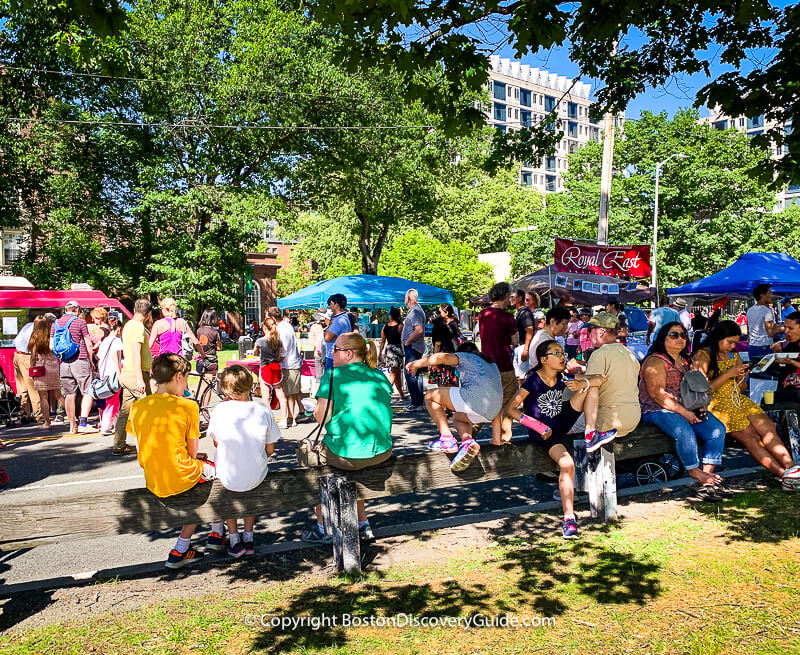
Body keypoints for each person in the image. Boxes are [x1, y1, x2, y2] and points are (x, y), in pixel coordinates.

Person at [504, 340, 610, 539]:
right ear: (544, 360)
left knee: (590, 387)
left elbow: (601, 378)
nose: (563, 356)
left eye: (563, 352)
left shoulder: (562, 377)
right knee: (567, 464)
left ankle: (590, 433)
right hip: (544, 433)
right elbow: (510, 409)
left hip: (560, 423)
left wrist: (582, 382)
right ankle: (569, 519)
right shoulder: (533, 379)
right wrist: (537, 425)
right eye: (557, 353)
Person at [299, 333, 393, 544]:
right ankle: (363, 523)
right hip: (382, 451)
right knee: (352, 461)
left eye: (336, 349)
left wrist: (315, 409)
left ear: (348, 354)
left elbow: (322, 416)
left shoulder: (333, 376)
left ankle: (323, 527)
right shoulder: (378, 375)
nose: (332, 353)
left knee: (310, 460)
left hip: (347, 454)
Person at [126, 353, 217, 569]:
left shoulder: (138, 407)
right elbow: (193, 453)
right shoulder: (188, 406)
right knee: (217, 475)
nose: (186, 385)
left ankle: (183, 549)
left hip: (154, 477)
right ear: (178, 377)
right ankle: (216, 535)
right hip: (181, 475)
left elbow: (141, 448)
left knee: (201, 477)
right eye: (186, 379)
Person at [693, 320, 799, 487]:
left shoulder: (732, 355)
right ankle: (785, 475)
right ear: (718, 337)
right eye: (730, 342)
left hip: (739, 400)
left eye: (735, 342)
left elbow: (741, 388)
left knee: (768, 429)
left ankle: (791, 468)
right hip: (718, 404)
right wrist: (729, 373)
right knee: (751, 437)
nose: (732, 346)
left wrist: (741, 376)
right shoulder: (703, 355)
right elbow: (704, 390)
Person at [639, 322, 726, 499]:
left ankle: (706, 477)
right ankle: (695, 472)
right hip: (657, 409)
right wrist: (684, 412)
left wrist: (700, 406)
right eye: (674, 335)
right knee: (684, 431)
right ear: (663, 338)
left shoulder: (686, 361)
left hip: (687, 407)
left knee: (717, 430)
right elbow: (657, 394)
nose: (680, 338)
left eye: (683, 335)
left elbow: (696, 387)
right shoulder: (655, 360)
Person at [208, 365, 281, 557]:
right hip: (256, 474)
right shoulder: (263, 409)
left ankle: (234, 538)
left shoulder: (219, 410)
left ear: (225, 389)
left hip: (227, 476)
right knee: (252, 483)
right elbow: (270, 449)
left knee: (225, 488)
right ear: (250, 384)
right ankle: (248, 536)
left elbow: (217, 443)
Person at [407, 342, 503, 468]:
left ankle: (446, 439)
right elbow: (497, 400)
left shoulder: (465, 357)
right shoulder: (492, 365)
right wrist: (497, 439)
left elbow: (442, 357)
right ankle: (467, 441)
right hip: (494, 409)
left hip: (474, 398)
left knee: (430, 396)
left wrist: (416, 364)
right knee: (458, 418)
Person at [579, 312, 641, 444]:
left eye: (590, 330)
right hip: (633, 417)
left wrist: (575, 376)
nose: (588, 334)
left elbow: (591, 388)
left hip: (608, 422)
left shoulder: (599, 354)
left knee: (566, 423)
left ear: (601, 332)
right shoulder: (628, 353)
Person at [476, 282, 518, 441]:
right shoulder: (507, 317)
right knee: (508, 402)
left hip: (486, 364)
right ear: (506, 296)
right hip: (504, 363)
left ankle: (472, 430)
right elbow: (515, 340)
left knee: (485, 399)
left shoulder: (482, 314)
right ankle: (504, 436)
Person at [114, 298, 153, 456]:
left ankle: (119, 444)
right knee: (150, 408)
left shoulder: (128, 325)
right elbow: (136, 353)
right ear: (148, 314)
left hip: (127, 372)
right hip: (135, 373)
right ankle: (151, 443)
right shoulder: (138, 327)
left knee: (125, 411)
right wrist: (139, 378)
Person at [50, 301, 95, 434]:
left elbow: (51, 346)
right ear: (76, 310)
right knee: (87, 391)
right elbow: (88, 343)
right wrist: (91, 360)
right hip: (80, 360)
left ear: (65, 310)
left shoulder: (56, 324)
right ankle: (83, 423)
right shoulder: (80, 322)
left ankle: (72, 425)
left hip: (64, 363)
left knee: (70, 394)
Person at [28, 315, 64, 430]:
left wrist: (32, 365)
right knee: (58, 395)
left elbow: (33, 356)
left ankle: (47, 423)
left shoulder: (35, 338)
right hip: (53, 366)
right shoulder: (52, 336)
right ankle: (74, 418)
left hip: (41, 368)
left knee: (43, 397)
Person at [270, 307, 303, 429]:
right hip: (292, 363)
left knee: (289, 393)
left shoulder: (282, 329)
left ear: (272, 317)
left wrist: (275, 360)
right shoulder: (286, 325)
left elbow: (283, 350)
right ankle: (291, 416)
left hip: (289, 364)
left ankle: (290, 418)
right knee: (291, 392)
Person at [401, 288, 428, 411]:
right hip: (415, 346)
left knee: (410, 372)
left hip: (413, 347)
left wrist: (407, 341)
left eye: (405, 297)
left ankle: (416, 402)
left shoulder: (415, 312)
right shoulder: (416, 311)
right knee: (416, 373)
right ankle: (418, 401)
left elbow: (419, 330)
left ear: (408, 298)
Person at [96, 323, 123, 436]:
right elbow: (114, 355)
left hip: (104, 374)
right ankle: (106, 426)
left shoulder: (105, 341)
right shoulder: (116, 340)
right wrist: (119, 373)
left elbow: (98, 357)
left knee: (112, 400)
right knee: (113, 401)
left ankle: (116, 424)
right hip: (113, 374)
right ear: (118, 329)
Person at [13, 316, 41, 423]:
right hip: (26, 357)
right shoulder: (36, 331)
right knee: (33, 387)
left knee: (21, 388)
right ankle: (39, 415)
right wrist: (34, 363)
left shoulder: (28, 325)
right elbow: (33, 348)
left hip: (17, 355)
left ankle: (24, 413)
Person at [254, 316, 284, 412]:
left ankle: (267, 419)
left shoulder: (260, 341)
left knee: (265, 396)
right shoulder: (278, 341)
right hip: (276, 366)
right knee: (281, 395)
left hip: (265, 367)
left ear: (265, 328)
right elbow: (279, 357)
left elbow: (255, 353)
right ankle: (285, 418)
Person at [771, 310, 800, 403]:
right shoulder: (788, 342)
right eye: (785, 327)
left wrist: (791, 362)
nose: (786, 331)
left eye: (790, 328)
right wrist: (779, 350)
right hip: (787, 385)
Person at [746, 283, 780, 360]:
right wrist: (783, 329)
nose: (772, 296)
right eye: (770, 293)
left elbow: (749, 331)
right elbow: (770, 332)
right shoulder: (767, 311)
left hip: (752, 347)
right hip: (764, 347)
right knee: (766, 370)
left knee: (754, 370)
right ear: (762, 295)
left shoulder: (750, 310)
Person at [379, 306, 406, 400]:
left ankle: (401, 394)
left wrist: (380, 352)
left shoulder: (385, 327)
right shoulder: (400, 326)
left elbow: (382, 341)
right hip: (397, 349)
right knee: (394, 372)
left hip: (389, 349)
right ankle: (386, 392)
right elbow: (403, 340)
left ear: (390, 316)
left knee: (396, 372)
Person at [510, 288, 535, 381]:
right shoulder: (520, 312)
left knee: (523, 377)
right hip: (519, 347)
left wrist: (526, 349)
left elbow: (530, 330)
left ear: (519, 298)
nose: (510, 299)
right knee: (518, 376)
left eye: (512, 297)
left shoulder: (525, 312)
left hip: (523, 347)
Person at [323, 293, 351, 372]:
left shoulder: (338, 320)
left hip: (334, 356)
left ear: (336, 305)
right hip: (340, 355)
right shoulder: (345, 317)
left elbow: (327, 338)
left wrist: (330, 324)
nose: (329, 306)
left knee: (330, 382)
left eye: (330, 304)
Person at [196, 308, 222, 380]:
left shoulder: (198, 331)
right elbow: (219, 348)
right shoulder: (215, 332)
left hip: (200, 360)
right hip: (211, 361)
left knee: (203, 382)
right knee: (210, 384)